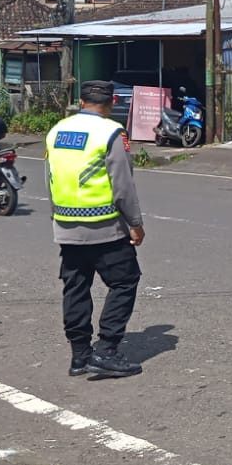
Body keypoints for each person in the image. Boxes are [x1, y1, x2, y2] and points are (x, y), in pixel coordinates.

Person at [46, 81, 147, 379]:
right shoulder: (112, 133)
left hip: (66, 225)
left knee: (76, 286)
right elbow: (123, 185)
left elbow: (51, 176)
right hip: (104, 227)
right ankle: (106, 349)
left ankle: (79, 355)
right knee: (125, 281)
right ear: (112, 101)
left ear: (80, 100)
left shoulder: (57, 131)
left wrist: (58, 218)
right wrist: (135, 224)